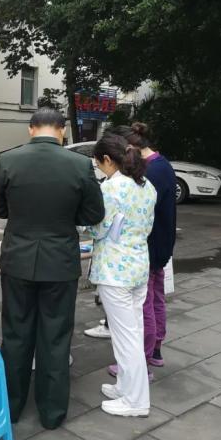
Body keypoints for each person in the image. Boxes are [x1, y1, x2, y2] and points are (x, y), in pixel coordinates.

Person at [0, 108, 105, 429]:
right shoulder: (80, 165)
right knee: (55, 338)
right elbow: (94, 213)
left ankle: (10, 407)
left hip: (18, 258)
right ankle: (52, 414)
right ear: (62, 131)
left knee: (15, 334)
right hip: (60, 261)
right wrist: (66, 217)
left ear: (31, 129)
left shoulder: (8, 159)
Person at [86, 123, 177, 372]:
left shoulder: (146, 174)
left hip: (139, 251)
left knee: (140, 313)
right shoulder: (160, 165)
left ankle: (143, 360)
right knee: (153, 301)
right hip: (154, 246)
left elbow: (107, 224)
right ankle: (154, 350)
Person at [87, 133, 156, 417]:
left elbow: (99, 228)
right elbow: (147, 226)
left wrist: (86, 230)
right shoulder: (146, 185)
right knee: (132, 332)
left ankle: (136, 401)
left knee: (125, 337)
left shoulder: (111, 188)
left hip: (115, 270)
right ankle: (126, 387)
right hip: (139, 265)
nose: (98, 168)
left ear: (107, 159)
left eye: (98, 163)